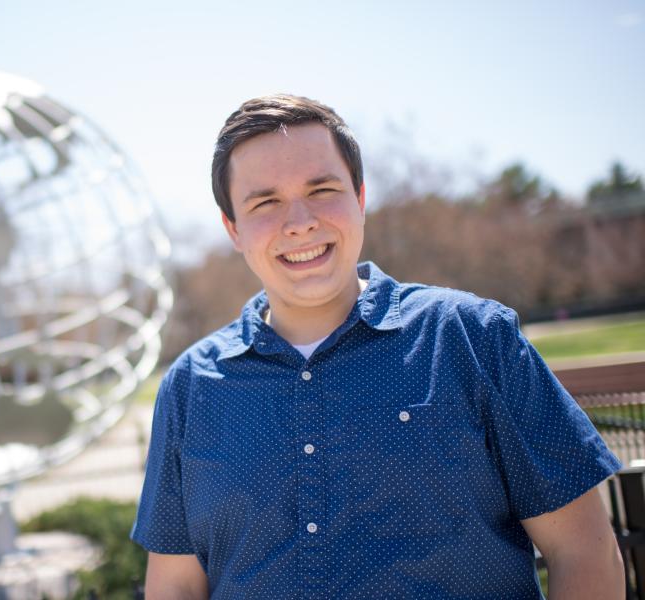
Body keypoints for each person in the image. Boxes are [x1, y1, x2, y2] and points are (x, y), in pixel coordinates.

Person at [130, 94, 624, 599]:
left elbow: (585, 552)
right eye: (265, 202)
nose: (299, 222)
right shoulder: (191, 388)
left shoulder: (471, 338)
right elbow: (174, 587)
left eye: (322, 190)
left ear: (360, 198)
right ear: (232, 227)